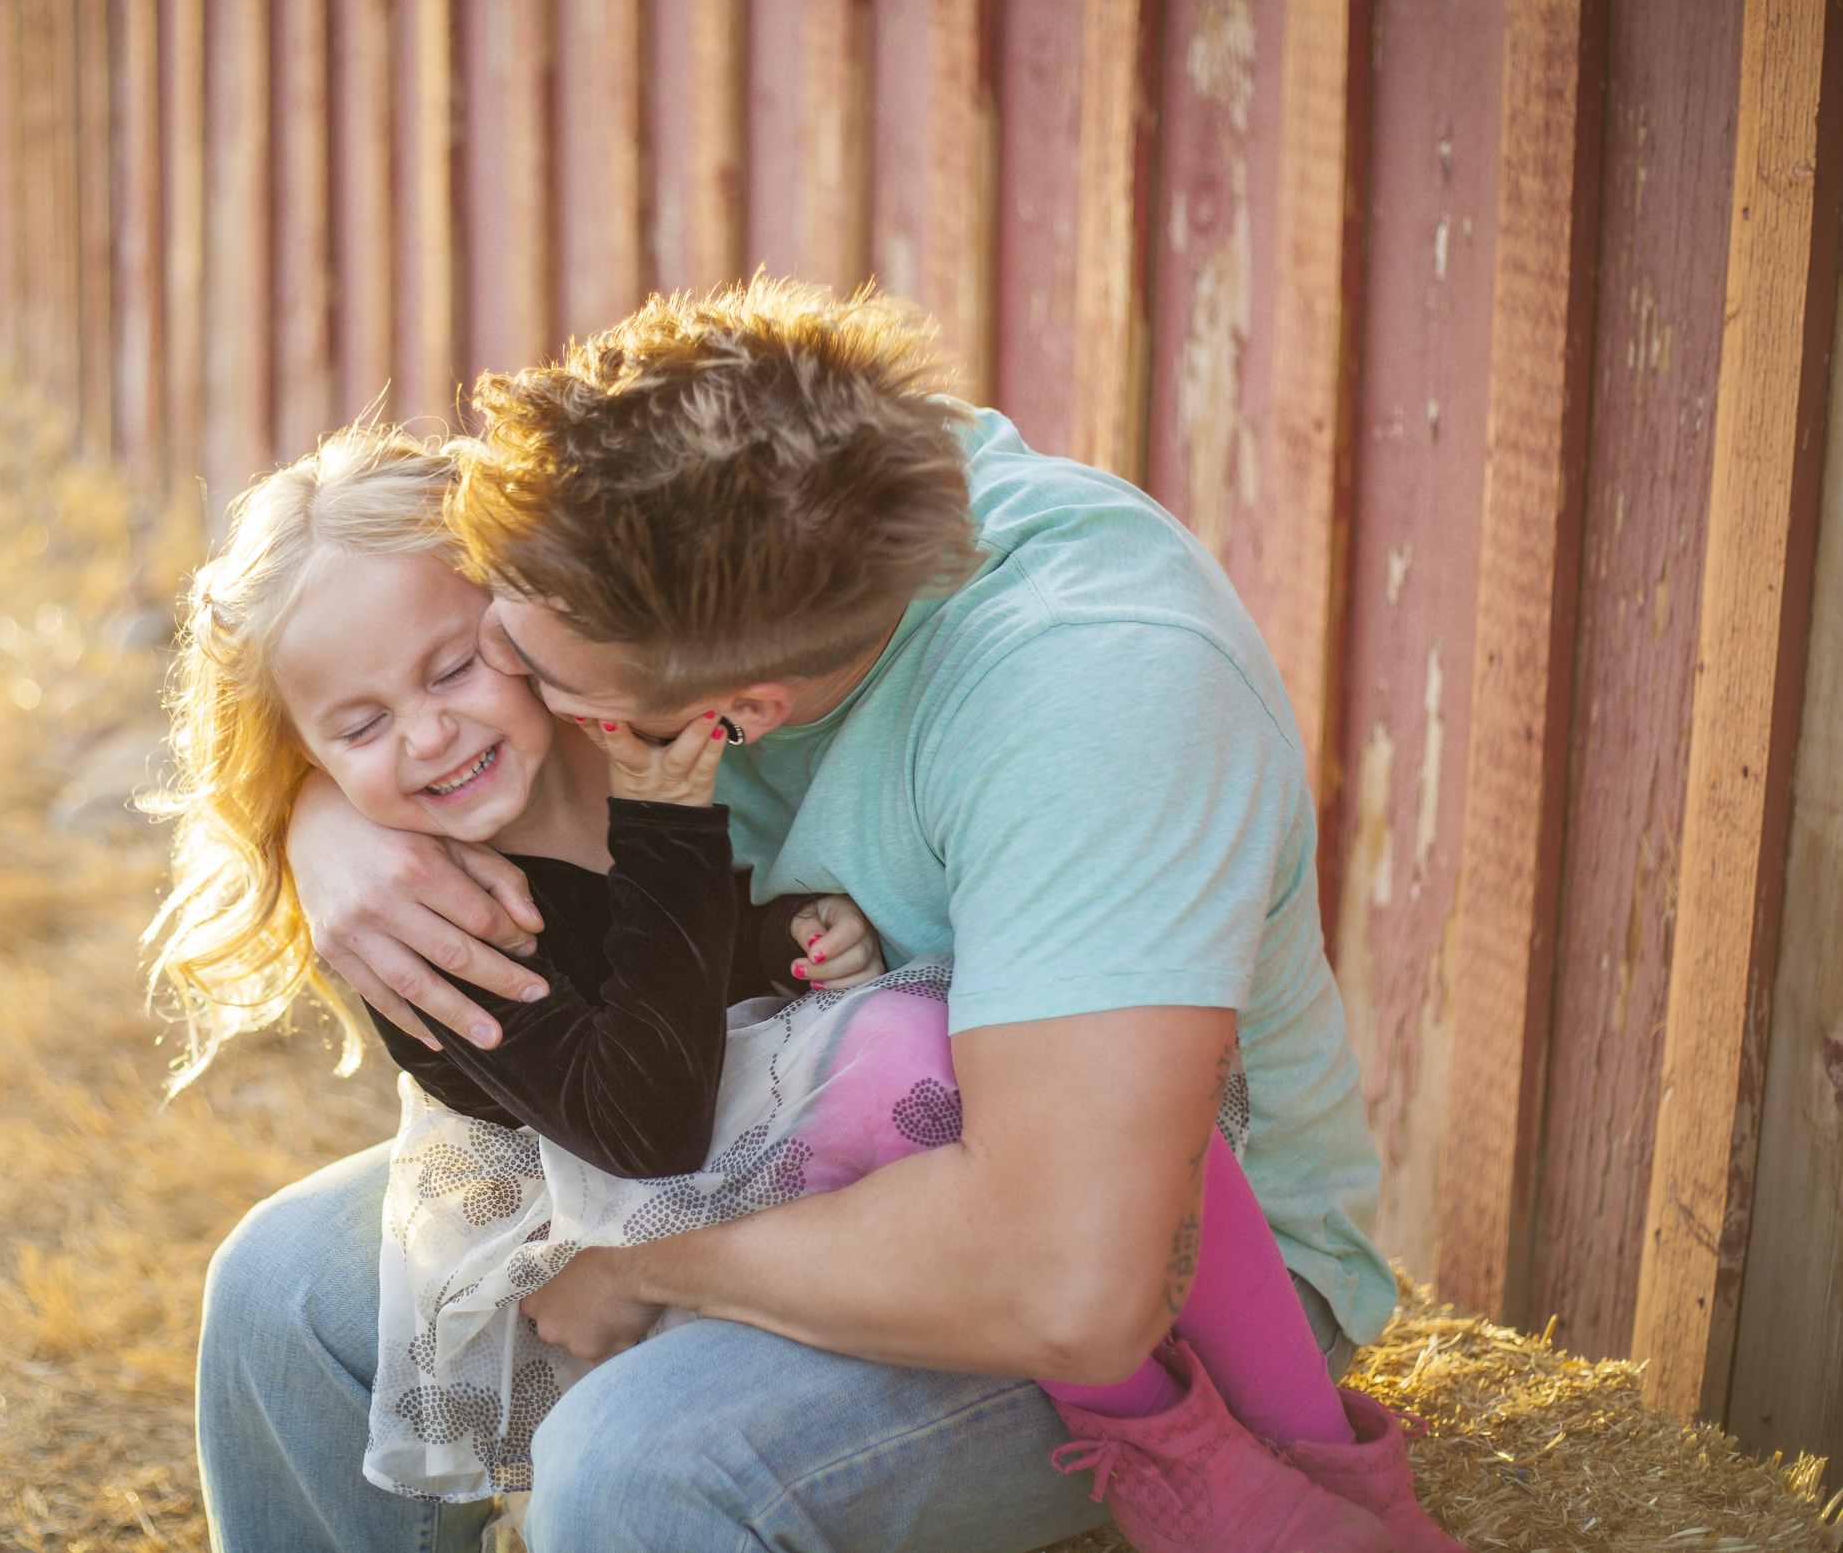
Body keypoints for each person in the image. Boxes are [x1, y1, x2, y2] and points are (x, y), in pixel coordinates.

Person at [165, 402, 1460, 1551]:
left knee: (634, 1462)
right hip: (723, 1155)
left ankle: (1280, 1472)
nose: (435, 725)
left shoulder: (1066, 672)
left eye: (454, 671)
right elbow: (348, 613)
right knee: (280, 1289)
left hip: (1118, 1235)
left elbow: (1067, 1260)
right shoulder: (573, 660)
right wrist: (313, 818)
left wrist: (651, 1264)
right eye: (364, 722)